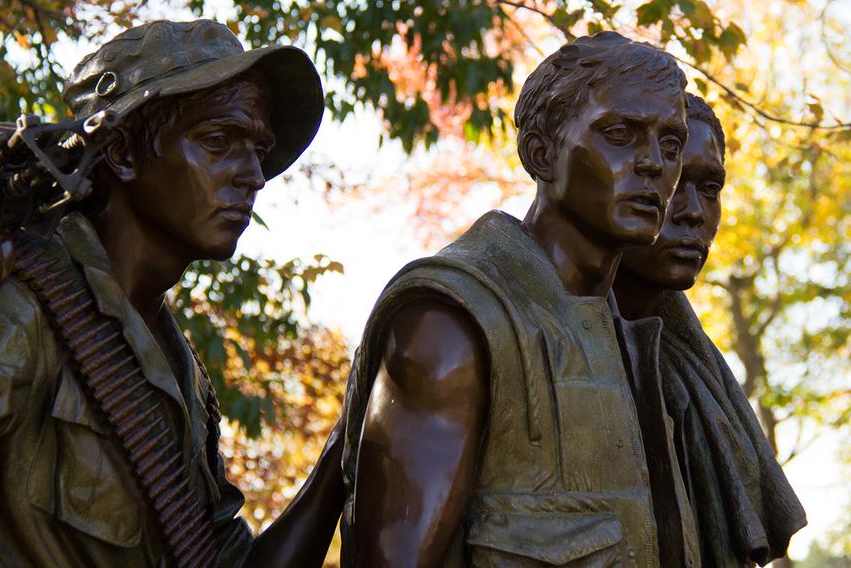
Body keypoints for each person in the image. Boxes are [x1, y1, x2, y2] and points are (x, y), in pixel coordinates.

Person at [0, 19, 342, 567]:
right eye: (218, 141)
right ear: (124, 153)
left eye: (258, 148)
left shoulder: (182, 376)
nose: (253, 174)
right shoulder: (19, 308)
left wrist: (346, 450)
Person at [340, 31, 702, 567]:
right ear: (541, 153)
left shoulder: (649, 340)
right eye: (621, 133)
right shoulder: (451, 324)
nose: (653, 164)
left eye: (669, 143)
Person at [612, 93, 806, 567]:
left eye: (710, 188)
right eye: (675, 183)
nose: (694, 212)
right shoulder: (535, 338)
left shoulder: (697, 373)